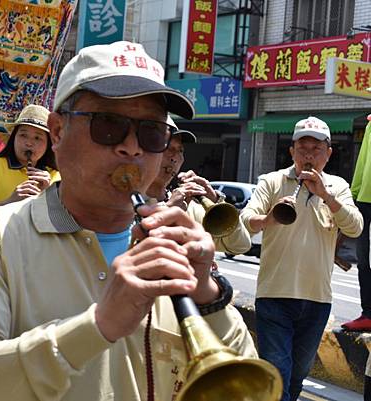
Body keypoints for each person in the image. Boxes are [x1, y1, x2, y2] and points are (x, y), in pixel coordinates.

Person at [0, 41, 256, 401]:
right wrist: (97, 326)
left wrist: (207, 295)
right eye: (109, 125)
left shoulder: (174, 242)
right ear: (58, 132)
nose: (132, 148)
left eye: (152, 133)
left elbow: (245, 388)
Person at [241, 116, 363, 401]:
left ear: (328, 153)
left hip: (317, 299)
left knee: (298, 373)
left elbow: (355, 227)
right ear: (291, 151)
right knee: (278, 371)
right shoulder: (272, 181)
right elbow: (246, 219)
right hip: (274, 294)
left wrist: (326, 195)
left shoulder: (338, 186)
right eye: (303, 148)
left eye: (316, 149)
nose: (309, 155)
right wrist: (269, 218)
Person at [145, 115, 251, 255]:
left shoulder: (189, 207)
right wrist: (168, 210)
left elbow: (241, 245)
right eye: (169, 148)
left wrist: (214, 200)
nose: (175, 158)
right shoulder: (127, 202)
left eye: (180, 150)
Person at [0, 104, 59, 213]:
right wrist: (9, 202)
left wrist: (47, 195)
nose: (29, 143)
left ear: (48, 144)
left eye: (37, 138)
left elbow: (67, 223)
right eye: (23, 135)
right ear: (14, 137)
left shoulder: (56, 177)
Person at [342, 119, 371, 331]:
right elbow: (363, 162)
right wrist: (353, 195)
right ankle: (368, 313)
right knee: (364, 260)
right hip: (366, 200)